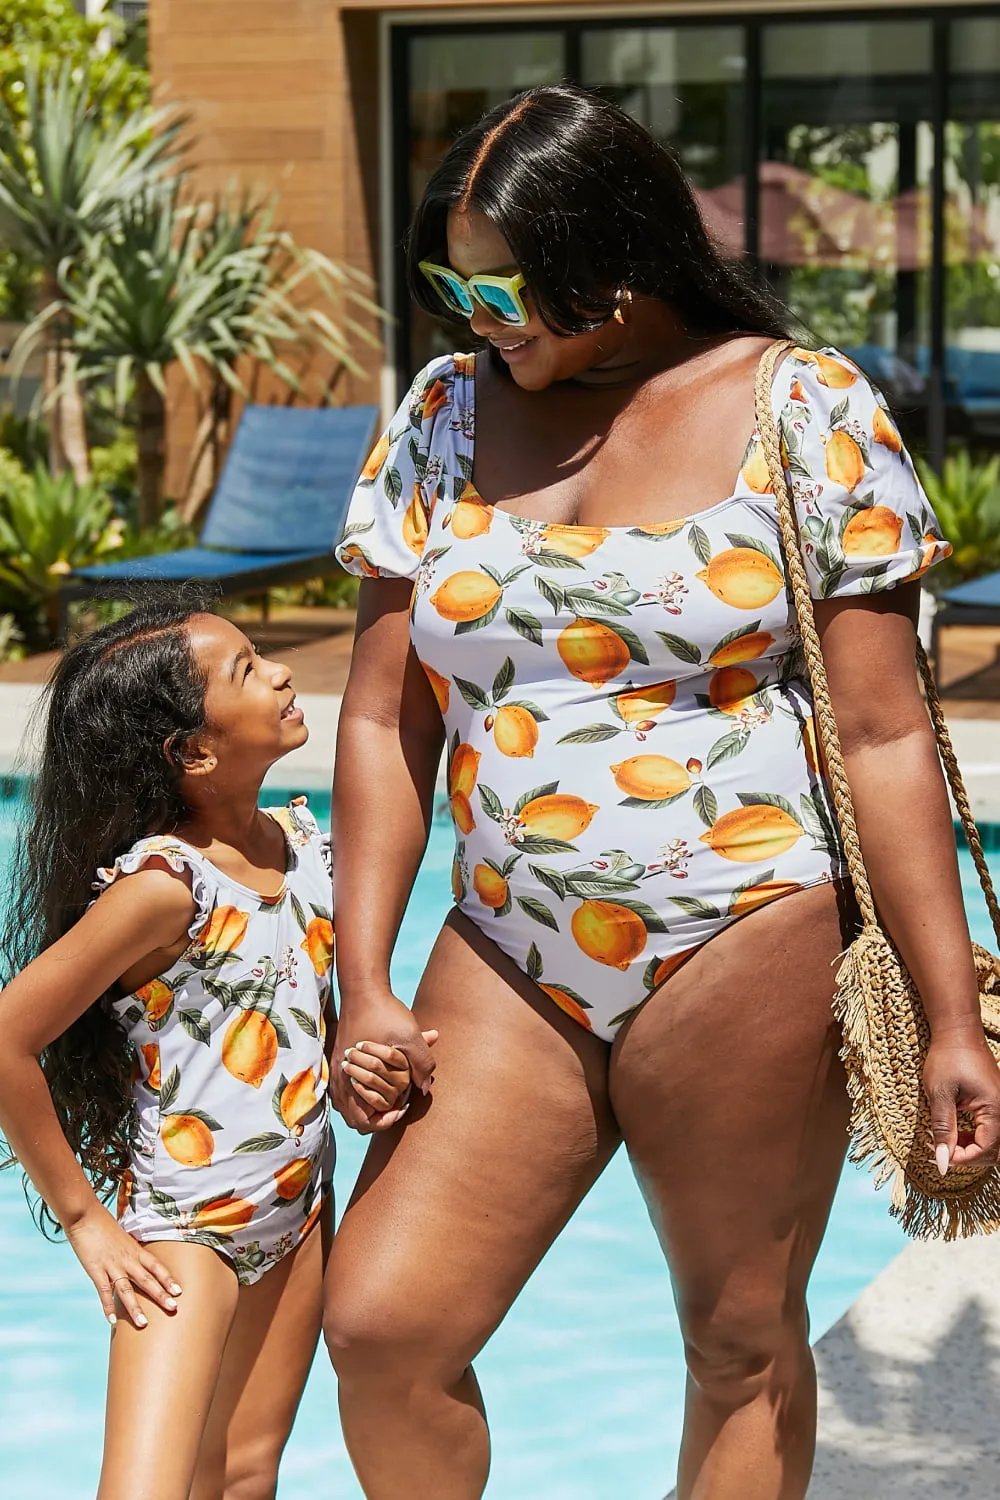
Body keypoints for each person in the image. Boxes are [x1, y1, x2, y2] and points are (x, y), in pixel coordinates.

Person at [326, 83, 1000, 1500]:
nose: (472, 314)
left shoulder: (796, 405)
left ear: (616, 269)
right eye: (449, 280)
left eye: (503, 285)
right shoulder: (445, 415)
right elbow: (386, 719)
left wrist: (951, 1011)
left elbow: (882, 736)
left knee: (740, 1340)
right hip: (509, 942)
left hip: (745, 929)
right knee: (384, 1322)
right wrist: (366, 980)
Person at [0, 597, 425, 1500]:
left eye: (261, 654)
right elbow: (7, 1037)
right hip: (186, 1231)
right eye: (244, 669)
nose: (276, 672)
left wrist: (366, 1062)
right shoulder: (165, 889)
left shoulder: (306, 849)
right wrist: (84, 1219)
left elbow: (310, 1020)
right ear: (194, 754)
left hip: (299, 1211)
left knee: (238, 1476)